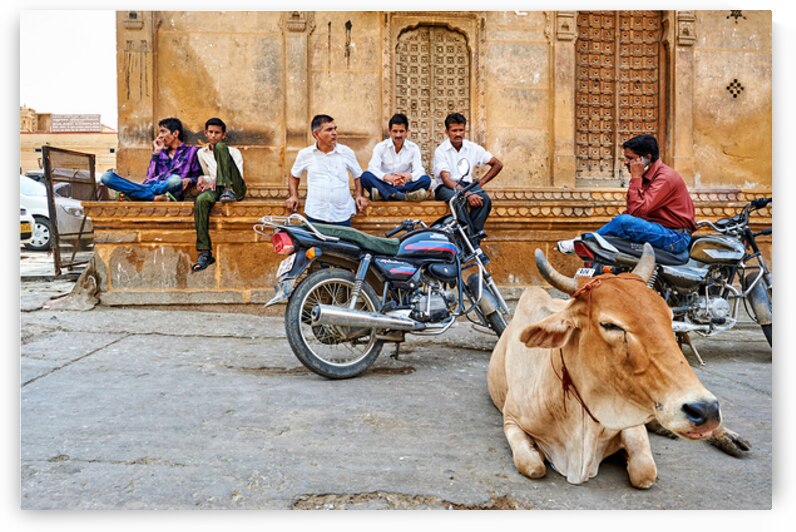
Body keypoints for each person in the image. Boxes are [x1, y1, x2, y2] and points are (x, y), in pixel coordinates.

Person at [557, 134, 696, 255]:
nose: (625, 162)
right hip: (657, 229)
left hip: (675, 236)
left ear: (646, 158)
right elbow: (633, 213)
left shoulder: (665, 177)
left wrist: (636, 177)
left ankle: (584, 241)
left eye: (630, 158)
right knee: (616, 232)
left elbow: (637, 211)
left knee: (623, 222)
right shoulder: (646, 176)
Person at [285, 114, 368, 226]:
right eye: (329, 130)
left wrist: (359, 195)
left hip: (342, 215)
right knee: (316, 244)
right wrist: (294, 195)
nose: (334, 133)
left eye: (335, 129)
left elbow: (358, 175)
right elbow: (294, 175)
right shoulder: (305, 154)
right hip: (316, 214)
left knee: (343, 244)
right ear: (316, 134)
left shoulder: (346, 152)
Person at [432, 112, 503, 240]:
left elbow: (497, 164)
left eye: (461, 130)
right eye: (454, 130)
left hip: (466, 185)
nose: (458, 134)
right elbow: (446, 179)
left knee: (485, 200)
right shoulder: (441, 151)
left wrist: (480, 183)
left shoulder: (473, 148)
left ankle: (471, 238)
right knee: (458, 200)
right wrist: (467, 193)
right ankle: (471, 239)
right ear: (447, 132)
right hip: (445, 187)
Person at [191, 117, 247, 272]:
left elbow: (240, 176)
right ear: (205, 133)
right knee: (201, 200)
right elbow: (208, 175)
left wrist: (220, 180)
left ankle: (227, 188)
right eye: (210, 132)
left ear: (223, 134)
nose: (213, 135)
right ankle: (204, 252)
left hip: (235, 188)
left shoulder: (233, 152)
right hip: (218, 189)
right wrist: (204, 179)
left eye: (217, 132)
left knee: (220, 148)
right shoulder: (201, 153)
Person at [100, 117, 202, 201]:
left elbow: (198, 176)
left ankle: (137, 195)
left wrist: (190, 179)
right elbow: (150, 177)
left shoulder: (192, 151)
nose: (160, 136)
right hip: (151, 185)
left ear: (175, 133)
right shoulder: (160, 153)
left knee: (175, 179)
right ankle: (153, 197)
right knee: (106, 177)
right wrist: (156, 152)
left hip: (171, 188)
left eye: (163, 131)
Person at [359, 113, 431, 201]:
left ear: (407, 132)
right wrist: (387, 177)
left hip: (404, 184)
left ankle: (384, 194)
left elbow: (419, 170)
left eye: (401, 131)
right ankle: (402, 196)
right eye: (395, 131)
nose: (398, 135)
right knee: (365, 176)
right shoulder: (381, 147)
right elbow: (372, 168)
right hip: (385, 183)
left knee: (426, 180)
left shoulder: (413, 148)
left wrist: (408, 176)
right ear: (389, 131)